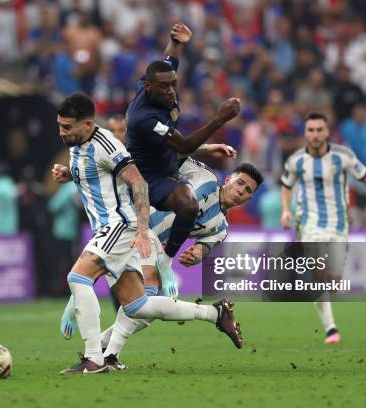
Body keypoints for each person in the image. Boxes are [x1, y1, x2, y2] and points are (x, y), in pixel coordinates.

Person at [52, 93, 243, 374]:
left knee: (77, 278)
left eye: (67, 127)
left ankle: (94, 360)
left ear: (88, 124)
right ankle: (214, 314)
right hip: (113, 228)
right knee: (137, 306)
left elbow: (139, 182)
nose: (61, 132)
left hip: (117, 225)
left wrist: (142, 229)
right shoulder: (77, 143)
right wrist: (70, 174)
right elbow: (96, 174)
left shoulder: (105, 145)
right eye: (59, 125)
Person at [125, 23, 241, 297]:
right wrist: (220, 118)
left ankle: (165, 261)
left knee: (188, 206)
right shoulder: (143, 118)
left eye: (173, 84)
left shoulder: (158, 80)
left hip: (167, 169)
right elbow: (186, 144)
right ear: (149, 86)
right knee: (187, 206)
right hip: (145, 178)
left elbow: (169, 60)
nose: (171, 91)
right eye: (164, 87)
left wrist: (177, 42)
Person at [280, 112, 366, 344]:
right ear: (305, 133)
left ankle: (329, 316)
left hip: (339, 224)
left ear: (327, 132)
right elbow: (286, 185)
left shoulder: (343, 156)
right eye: (310, 130)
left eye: (319, 129)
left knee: (332, 281)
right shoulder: (296, 160)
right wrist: (286, 210)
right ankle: (331, 328)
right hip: (307, 222)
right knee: (317, 268)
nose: (314, 134)